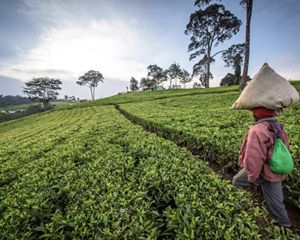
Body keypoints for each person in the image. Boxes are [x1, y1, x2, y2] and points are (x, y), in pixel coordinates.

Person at [232, 107, 292, 227]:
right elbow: (286, 147)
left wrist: (251, 176)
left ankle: (239, 210)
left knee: (237, 182)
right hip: (276, 170)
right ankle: (285, 225)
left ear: (256, 114)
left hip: (263, 170)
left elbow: (254, 158)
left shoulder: (257, 130)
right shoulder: (278, 126)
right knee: (276, 202)